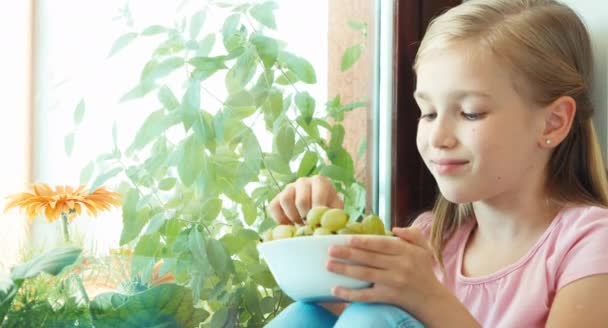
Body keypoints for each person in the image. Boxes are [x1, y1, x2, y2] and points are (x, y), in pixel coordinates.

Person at [264, 0, 608, 327]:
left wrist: (428, 297)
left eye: (470, 112)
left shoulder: (589, 244)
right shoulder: (433, 238)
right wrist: (320, 241)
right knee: (306, 317)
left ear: (553, 123)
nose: (438, 137)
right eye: (427, 113)